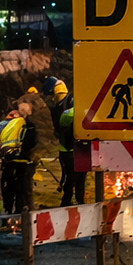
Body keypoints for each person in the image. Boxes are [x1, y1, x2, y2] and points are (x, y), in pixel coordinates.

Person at [0, 103, 40, 231]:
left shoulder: (8, 124)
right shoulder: (29, 126)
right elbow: (32, 143)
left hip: (9, 161)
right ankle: (26, 220)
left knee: (8, 191)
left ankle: (8, 218)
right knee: (24, 192)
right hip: (23, 162)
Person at [45, 77, 85, 206]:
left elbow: (58, 127)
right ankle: (79, 202)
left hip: (68, 148)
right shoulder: (70, 101)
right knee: (78, 178)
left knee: (71, 178)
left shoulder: (57, 107)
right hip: (78, 147)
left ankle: (67, 203)